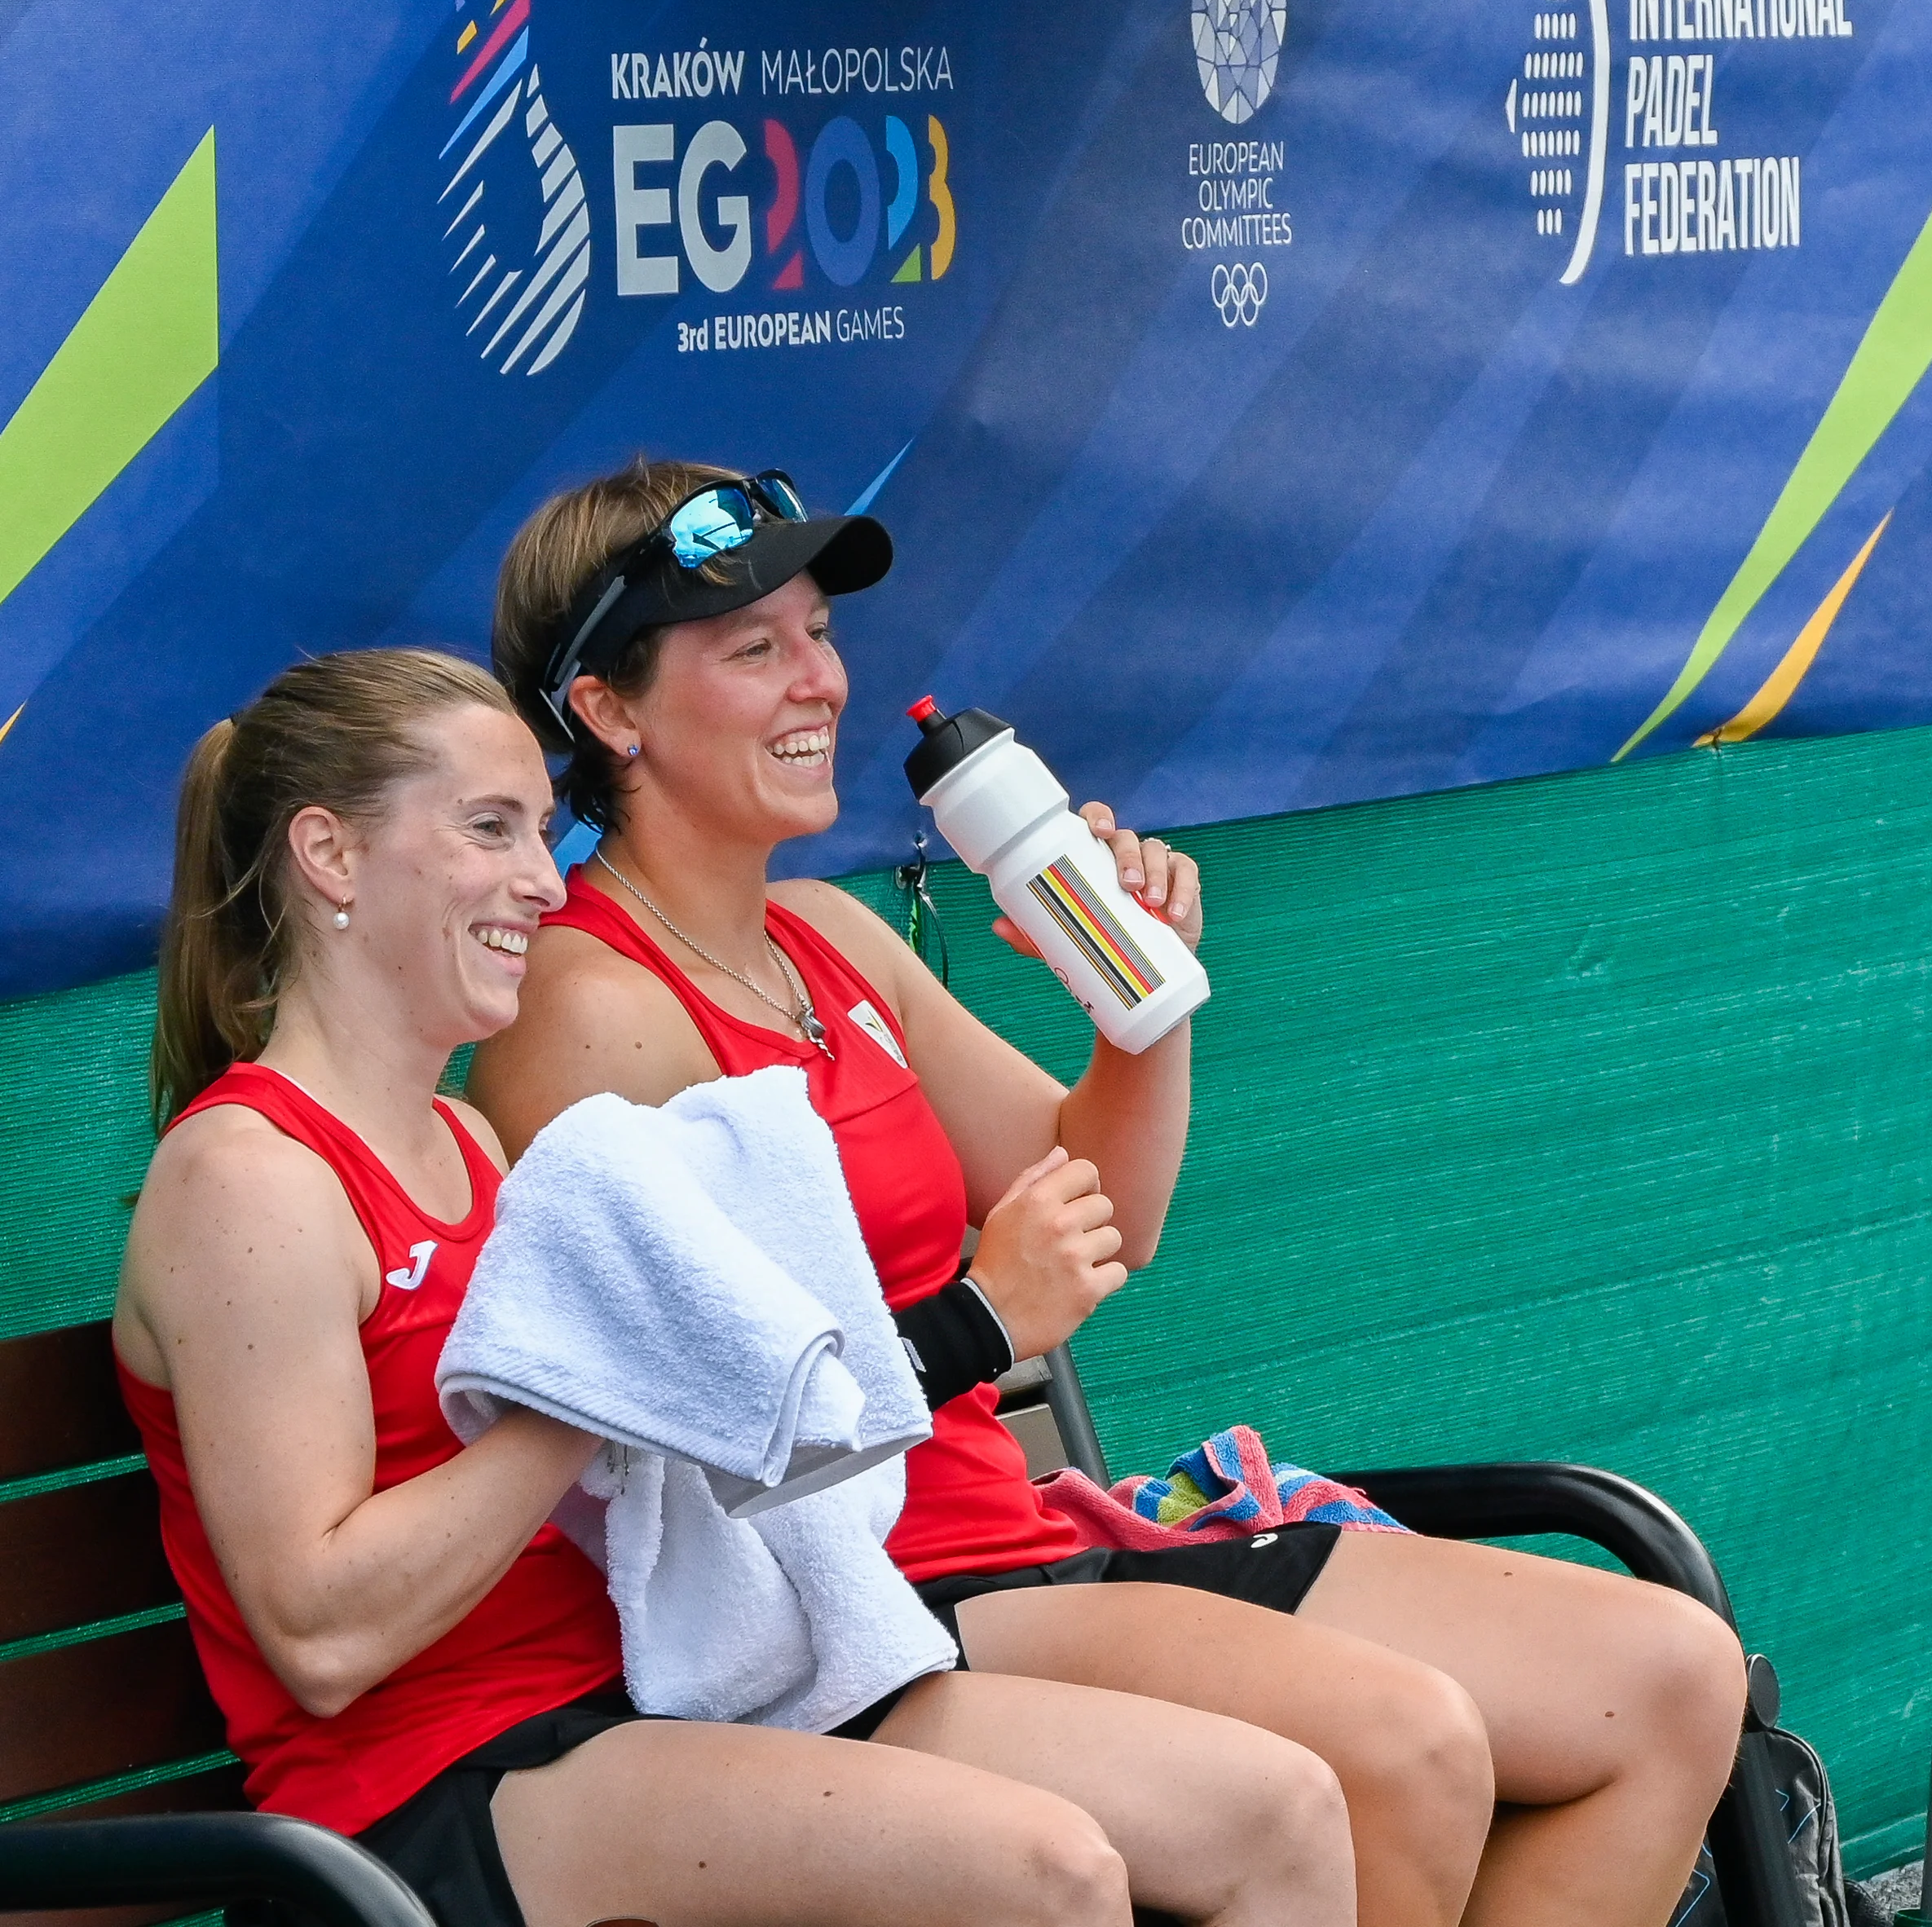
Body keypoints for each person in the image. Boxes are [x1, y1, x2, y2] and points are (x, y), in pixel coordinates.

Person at [470, 458, 1746, 1927]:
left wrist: (1138, 999)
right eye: (754, 649)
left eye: (817, 632)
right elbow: (706, 1443)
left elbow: (1106, 1219)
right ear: (609, 711)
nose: (816, 679)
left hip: (1024, 1538)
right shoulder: (587, 1005)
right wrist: (976, 1314)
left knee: (1668, 1680)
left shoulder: (825, 935)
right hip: (870, 1614)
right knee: (1412, 1748)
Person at [113, 649, 1355, 1927]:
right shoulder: (245, 1178)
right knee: (1052, 1875)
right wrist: (587, 1396)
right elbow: (321, 1640)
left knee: (1274, 1815)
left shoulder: (471, 1147)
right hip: (420, 1795)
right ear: (328, 855)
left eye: (542, 831)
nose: (542, 882)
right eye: (489, 831)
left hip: (654, 1699)